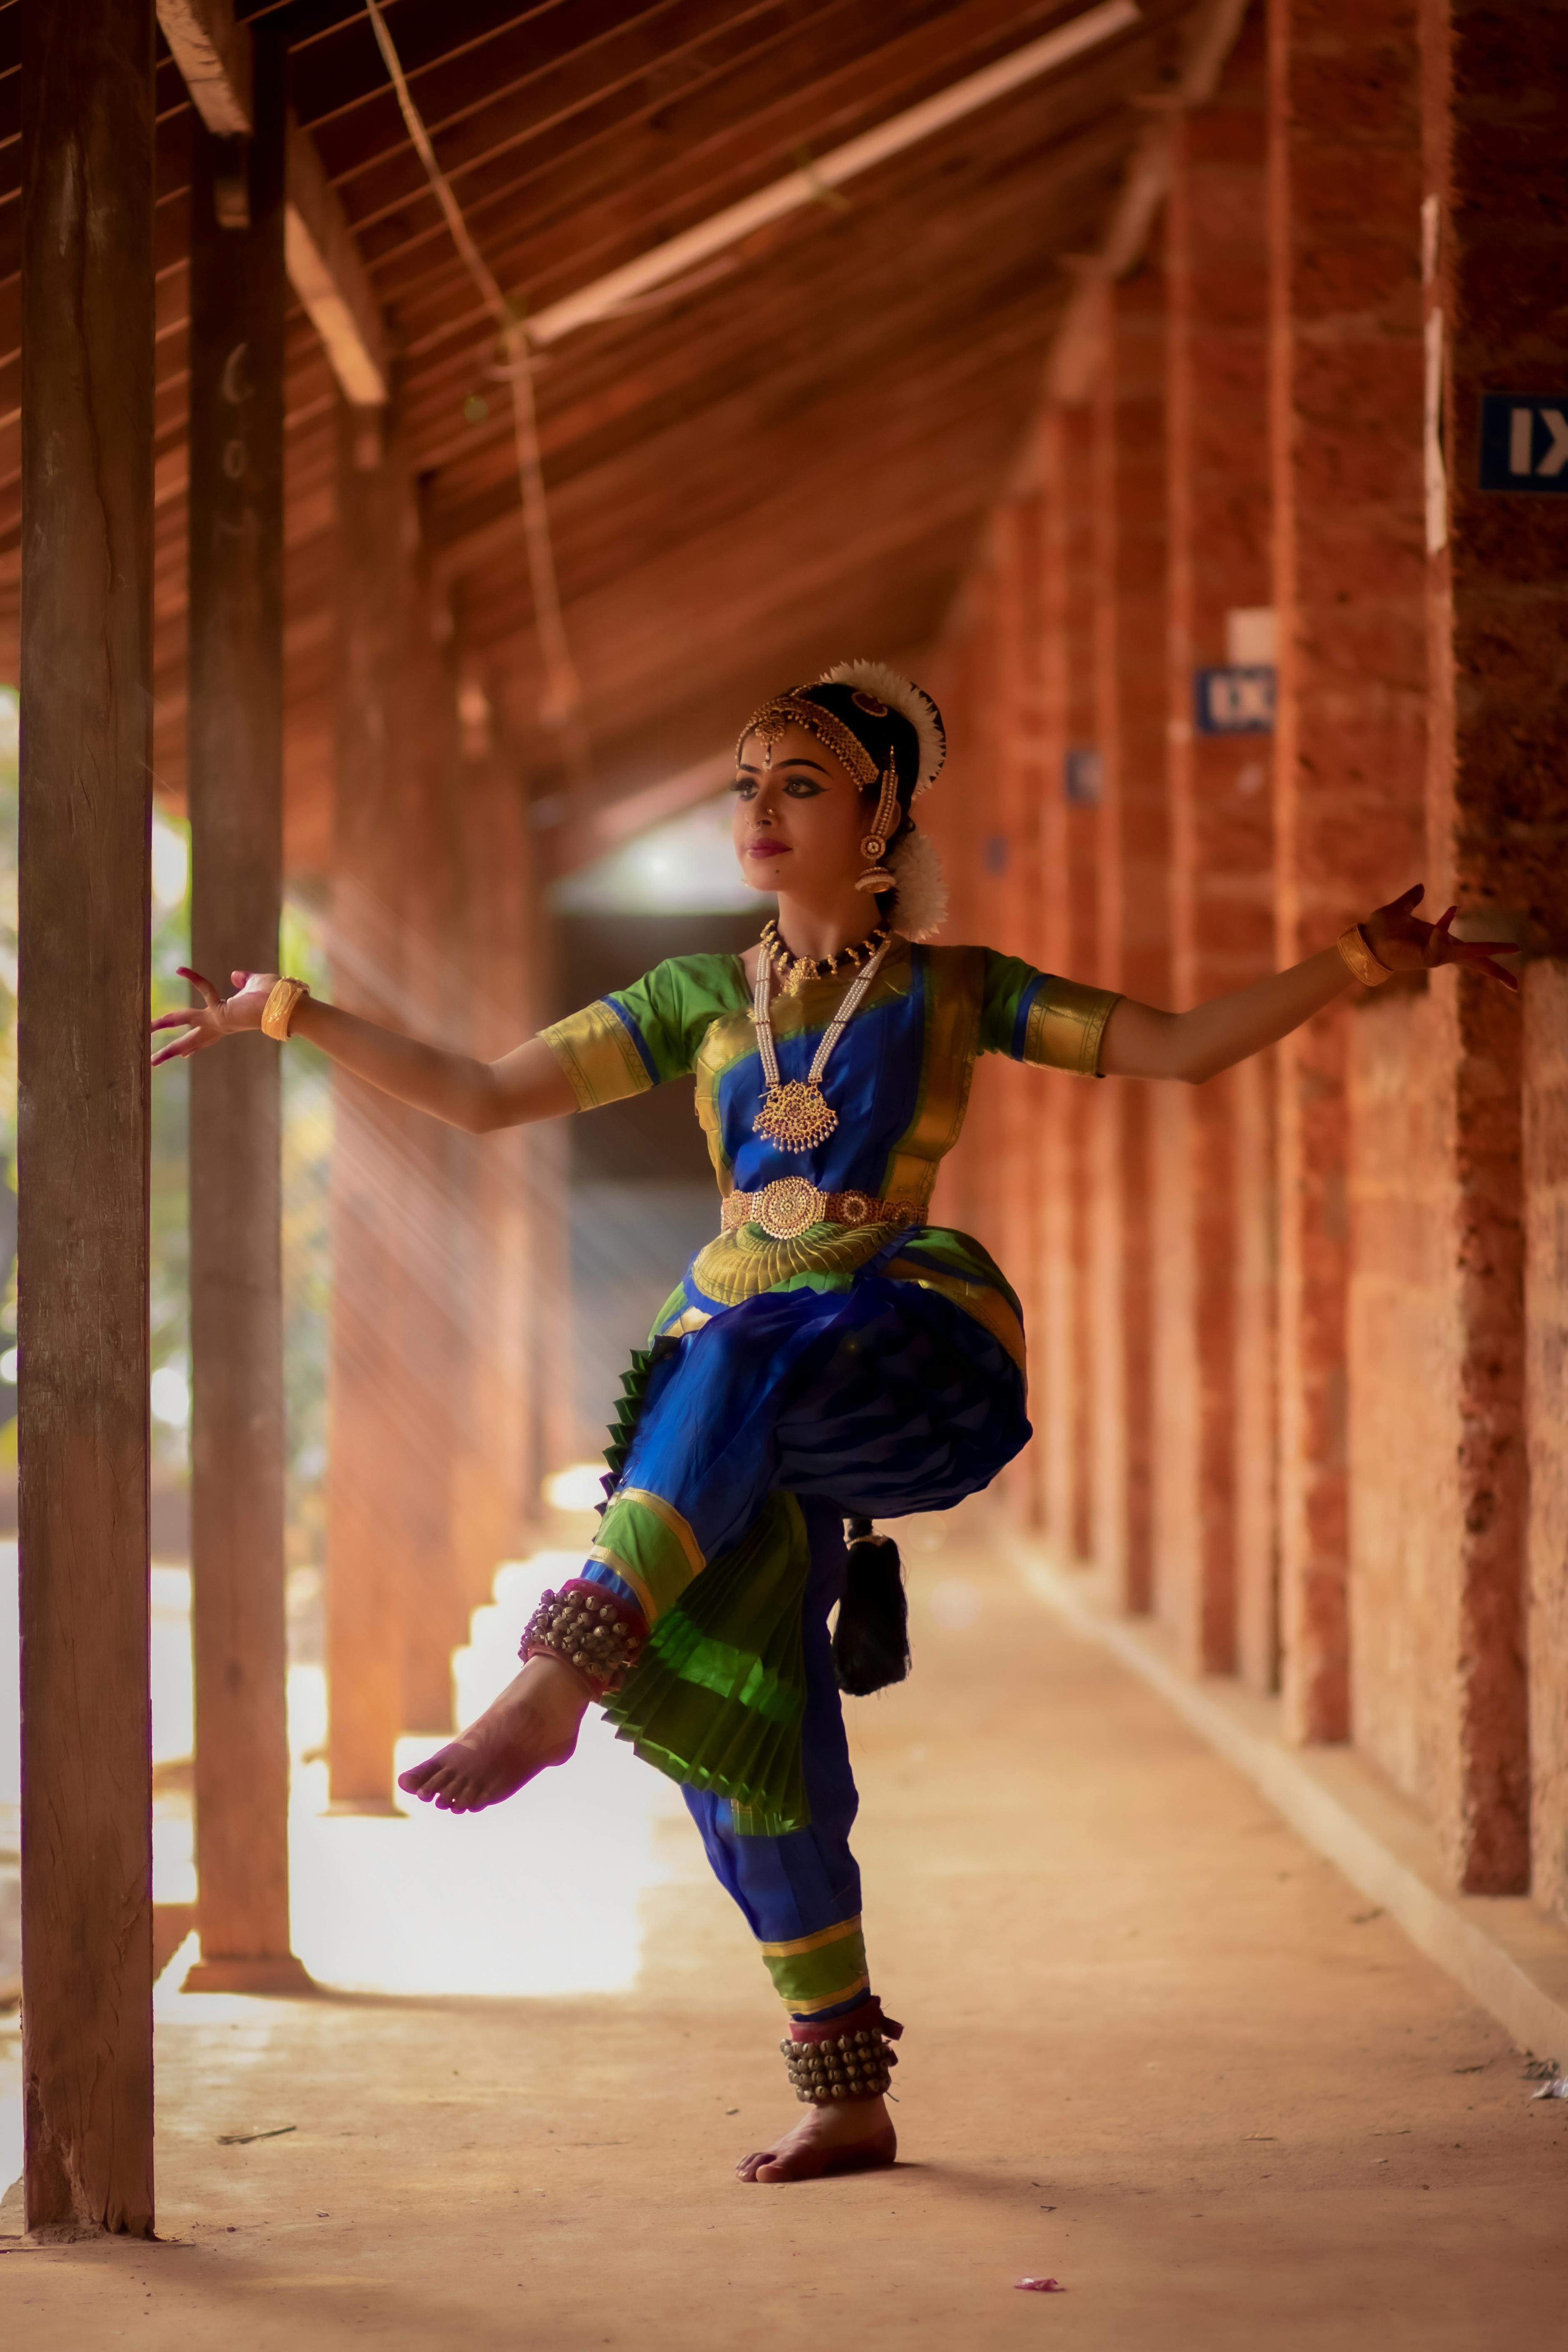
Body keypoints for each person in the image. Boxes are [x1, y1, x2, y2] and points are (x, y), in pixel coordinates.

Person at [155, 660, 1519, 2184]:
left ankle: (556, 1671)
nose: (760, 812)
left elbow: (1184, 1047)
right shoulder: (695, 1002)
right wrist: (289, 1010)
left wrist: (1357, 957)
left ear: (880, 816)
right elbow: (480, 1094)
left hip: (902, 1352)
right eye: (747, 785)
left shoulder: (956, 991)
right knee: (742, 1722)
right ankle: (842, 2084)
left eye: (800, 785)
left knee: (734, 1350)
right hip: (734, 1390)